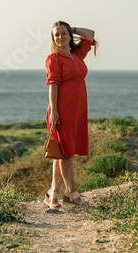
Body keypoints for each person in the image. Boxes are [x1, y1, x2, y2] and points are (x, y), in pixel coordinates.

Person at [44, 20, 97, 208]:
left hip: (77, 110)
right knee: (66, 154)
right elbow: (53, 87)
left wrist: (73, 28)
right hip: (61, 110)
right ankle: (72, 192)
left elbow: (90, 34)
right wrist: (54, 112)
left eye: (64, 33)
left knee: (62, 153)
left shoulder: (77, 54)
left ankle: (53, 193)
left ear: (70, 35)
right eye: (56, 35)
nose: (60, 37)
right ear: (53, 38)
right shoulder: (54, 59)